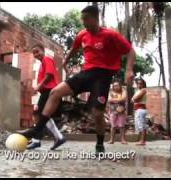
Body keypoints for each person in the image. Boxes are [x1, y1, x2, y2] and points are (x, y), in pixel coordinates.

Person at [20, 5, 135, 155]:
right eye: (82, 19)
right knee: (55, 92)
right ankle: (37, 130)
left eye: (86, 19)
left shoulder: (110, 35)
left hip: (102, 76)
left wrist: (129, 69)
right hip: (86, 74)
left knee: (97, 114)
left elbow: (130, 51)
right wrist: (66, 62)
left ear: (95, 18)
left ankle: (100, 144)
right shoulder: (83, 35)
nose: (83, 22)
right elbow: (74, 49)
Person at [26, 44, 66, 150]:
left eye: (37, 51)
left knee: (41, 115)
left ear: (43, 51)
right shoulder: (43, 62)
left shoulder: (47, 59)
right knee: (44, 116)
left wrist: (39, 85)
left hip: (49, 91)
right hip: (46, 91)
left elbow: (49, 75)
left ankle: (37, 140)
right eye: (34, 53)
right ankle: (58, 137)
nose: (36, 54)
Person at [131, 78, 148, 146]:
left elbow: (134, 99)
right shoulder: (138, 91)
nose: (139, 85)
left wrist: (134, 99)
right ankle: (141, 140)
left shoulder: (143, 90)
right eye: (138, 83)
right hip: (137, 110)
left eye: (140, 83)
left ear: (144, 84)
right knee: (139, 126)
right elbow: (132, 100)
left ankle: (143, 141)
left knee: (142, 125)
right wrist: (134, 99)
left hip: (141, 109)